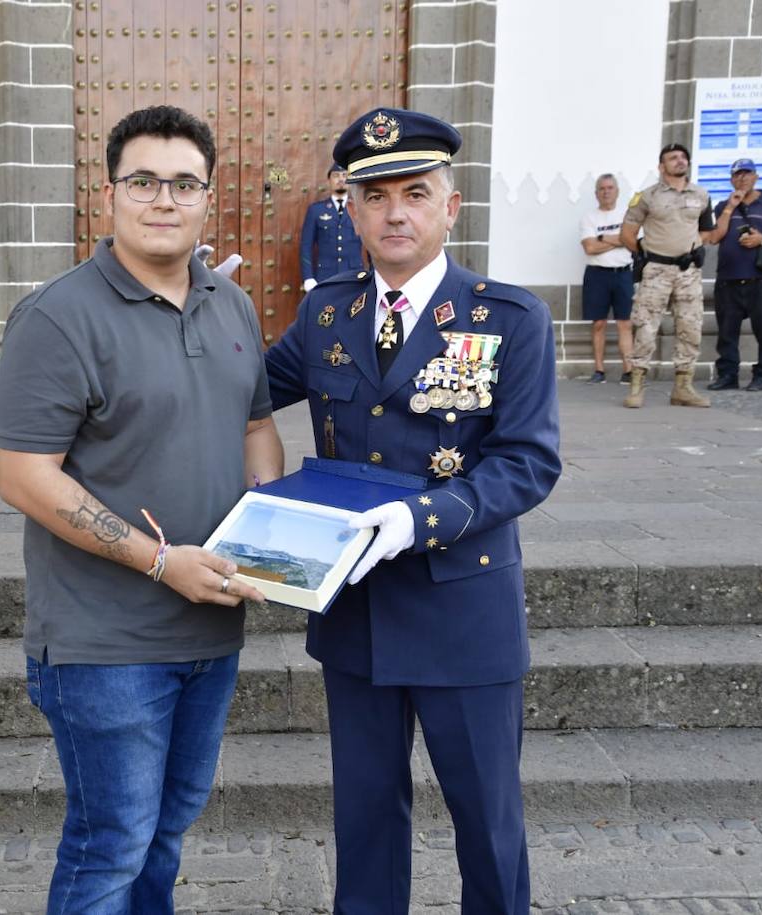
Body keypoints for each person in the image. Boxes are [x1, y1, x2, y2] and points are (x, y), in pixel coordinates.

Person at [265, 107, 561, 914]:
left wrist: (419, 519)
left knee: (487, 823)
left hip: (461, 604)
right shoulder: (326, 311)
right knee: (364, 819)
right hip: (355, 611)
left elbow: (529, 462)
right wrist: (203, 315)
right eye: (376, 195)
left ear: (449, 206)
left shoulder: (508, 318)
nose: (396, 212)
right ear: (349, 209)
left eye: (416, 193)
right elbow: (241, 390)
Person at [0, 105, 284, 914]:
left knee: (165, 831)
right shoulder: (57, 316)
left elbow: (257, 427)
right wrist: (160, 561)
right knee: (111, 842)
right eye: (145, 181)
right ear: (109, 192)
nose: (165, 199)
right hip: (104, 643)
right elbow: (23, 476)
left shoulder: (231, 303)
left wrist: (268, 524)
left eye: (184, 183)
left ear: (208, 197)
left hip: (212, 627)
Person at [618, 143, 718, 408]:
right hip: (656, 271)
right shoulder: (647, 196)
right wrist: (647, 253)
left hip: (688, 272)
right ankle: (637, 385)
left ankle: (683, 387)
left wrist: (691, 247)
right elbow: (627, 235)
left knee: (690, 327)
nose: (679, 161)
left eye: (683, 157)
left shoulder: (701, 195)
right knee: (646, 327)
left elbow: (707, 231)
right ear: (661, 166)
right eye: (673, 158)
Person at [705, 158, 762, 392]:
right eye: (737, 175)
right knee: (726, 332)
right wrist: (729, 207)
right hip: (728, 279)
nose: (742, 178)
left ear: (756, 177)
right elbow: (714, 237)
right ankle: (728, 375)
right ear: (731, 179)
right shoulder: (724, 205)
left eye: (747, 174)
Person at [579, 173, 634, 384]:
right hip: (597, 274)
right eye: (602, 188)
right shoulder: (589, 217)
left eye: (610, 188)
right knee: (598, 323)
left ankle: (628, 370)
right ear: (596, 193)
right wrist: (618, 239)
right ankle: (599, 370)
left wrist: (603, 238)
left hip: (623, 273)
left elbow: (633, 242)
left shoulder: (627, 215)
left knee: (625, 323)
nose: (606, 192)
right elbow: (590, 247)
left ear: (617, 191)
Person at [300, 163, 364, 292]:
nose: (341, 179)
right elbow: (306, 246)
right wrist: (308, 277)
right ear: (329, 180)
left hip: (355, 276)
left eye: (344, 175)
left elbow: (371, 243)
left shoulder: (360, 209)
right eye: (336, 176)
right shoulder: (316, 210)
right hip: (325, 276)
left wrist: (374, 273)